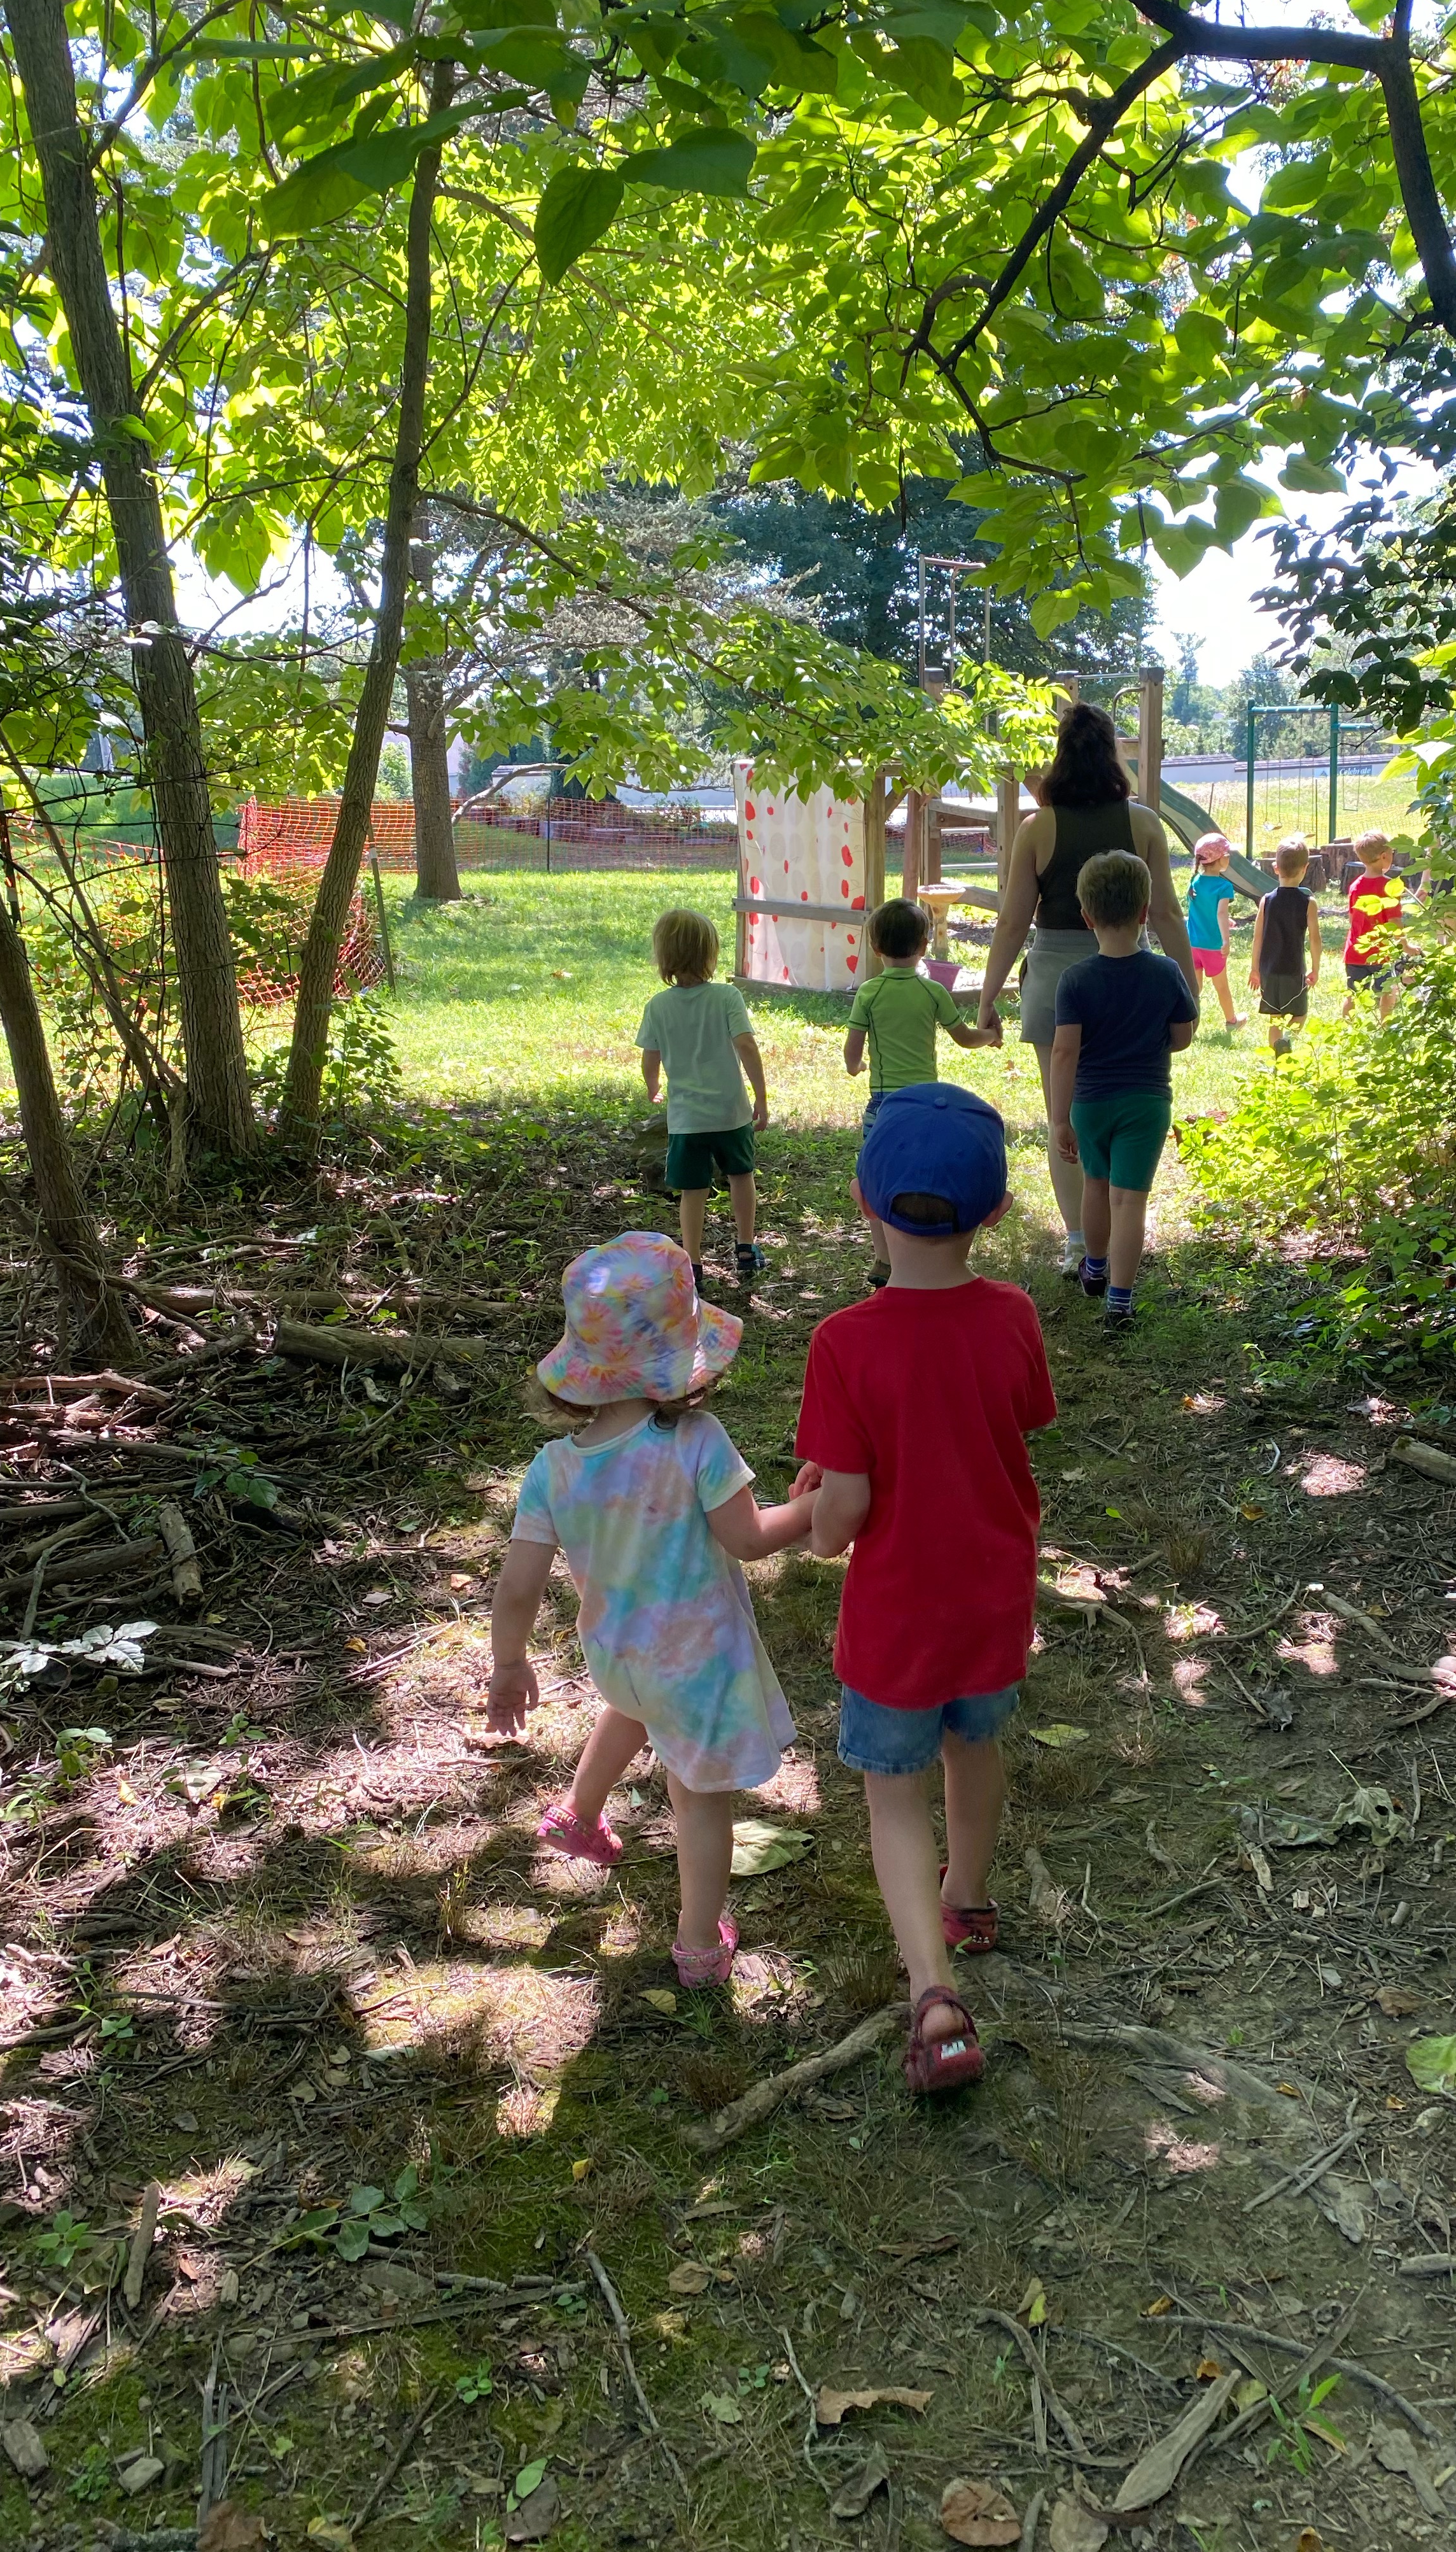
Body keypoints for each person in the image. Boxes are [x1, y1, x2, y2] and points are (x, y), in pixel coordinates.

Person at [794, 1085, 1055, 2097]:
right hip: (993, 1599)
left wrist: (813, 1517)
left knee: (893, 1795)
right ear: (993, 1212)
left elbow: (844, 1514)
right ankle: (973, 1897)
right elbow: (1021, 1419)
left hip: (898, 1617)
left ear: (865, 1199)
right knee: (973, 1745)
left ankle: (934, 1996)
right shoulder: (1014, 1315)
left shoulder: (843, 1344)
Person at [487, 1234, 816, 1987]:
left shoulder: (553, 1468)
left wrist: (510, 1662)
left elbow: (517, 1585)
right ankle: (701, 1941)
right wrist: (819, 1507)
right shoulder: (696, 1442)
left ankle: (578, 1814)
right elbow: (750, 1538)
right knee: (700, 1801)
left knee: (630, 1709)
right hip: (694, 1664)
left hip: (616, 1654)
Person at [974, 703, 1198, 1277]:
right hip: (1132, 976)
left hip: (1055, 982)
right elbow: (1169, 914)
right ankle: (1116, 1225)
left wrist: (987, 996)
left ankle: (1079, 1241)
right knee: (1129, 1096)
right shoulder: (1144, 822)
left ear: (1060, 757)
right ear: (1114, 755)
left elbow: (1011, 921)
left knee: (1064, 1118)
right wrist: (1188, 989)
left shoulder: (1037, 827)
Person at [1047, 849, 1197, 1331]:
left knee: (1095, 1184)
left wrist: (1059, 1118)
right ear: (1144, 913)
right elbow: (1182, 1036)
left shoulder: (1075, 980)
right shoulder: (1167, 973)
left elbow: (1064, 1053)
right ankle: (1120, 1299)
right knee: (1130, 1200)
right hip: (1147, 1102)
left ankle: (1094, 1265)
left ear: (1087, 916)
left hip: (1090, 1103)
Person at [844, 897, 1001, 1288]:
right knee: (923, 1173)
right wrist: (992, 1036)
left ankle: (884, 1260)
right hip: (928, 1104)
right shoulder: (933, 992)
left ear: (875, 948)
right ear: (924, 947)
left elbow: (852, 1052)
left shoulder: (869, 993)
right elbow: (964, 1039)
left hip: (884, 1104)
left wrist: (856, 1067)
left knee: (876, 1179)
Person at [635, 910, 767, 1284]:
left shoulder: (658, 1006)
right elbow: (746, 1044)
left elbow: (650, 1056)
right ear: (710, 954)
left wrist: (652, 1086)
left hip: (687, 1119)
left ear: (664, 957)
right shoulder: (727, 996)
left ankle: (692, 1262)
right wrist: (760, 1095)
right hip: (730, 1113)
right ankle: (745, 1247)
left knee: (692, 1190)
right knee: (741, 1176)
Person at [1249, 838, 1322, 1056]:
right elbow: (1315, 939)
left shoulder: (1266, 900)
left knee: (1275, 1018)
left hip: (1269, 970)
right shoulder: (1308, 902)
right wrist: (1316, 968)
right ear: (1305, 868)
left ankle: (1277, 1056)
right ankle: (1287, 1041)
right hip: (1293, 970)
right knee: (1300, 1014)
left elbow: (1258, 937)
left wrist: (1255, 969)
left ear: (1275, 868)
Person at [1341, 829, 1411, 1019]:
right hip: (1382, 954)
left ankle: (1348, 1028)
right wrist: (1406, 946)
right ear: (1383, 856)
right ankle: (1386, 1025)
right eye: (1392, 854)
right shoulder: (1389, 886)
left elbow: (1352, 918)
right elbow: (1395, 922)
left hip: (1355, 951)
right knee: (1388, 991)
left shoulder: (1355, 885)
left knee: (1353, 994)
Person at [1184, 833, 1245, 1028]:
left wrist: (1225, 919)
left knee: (1195, 988)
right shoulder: (1224, 886)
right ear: (1220, 859)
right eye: (1227, 854)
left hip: (1192, 943)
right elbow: (1220, 913)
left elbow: (1202, 911)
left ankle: (1188, 1022)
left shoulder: (1195, 882)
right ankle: (1232, 1021)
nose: (1229, 858)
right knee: (1222, 987)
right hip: (1213, 946)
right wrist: (1226, 941)